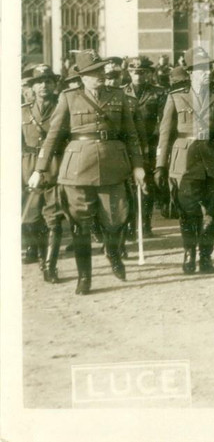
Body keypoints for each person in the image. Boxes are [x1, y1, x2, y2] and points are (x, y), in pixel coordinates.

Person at [29, 51, 145, 295]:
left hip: (113, 166)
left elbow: (131, 134)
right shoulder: (68, 98)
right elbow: (52, 136)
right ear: (82, 77)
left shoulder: (118, 95)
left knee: (115, 219)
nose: (101, 75)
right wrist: (40, 169)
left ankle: (112, 251)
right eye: (95, 72)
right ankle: (85, 277)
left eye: (102, 70)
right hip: (77, 169)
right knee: (80, 225)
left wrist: (138, 166)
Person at [156, 49, 214, 275]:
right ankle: (189, 254)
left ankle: (205, 257)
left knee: (212, 211)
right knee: (188, 210)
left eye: (208, 69)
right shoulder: (176, 96)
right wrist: (160, 166)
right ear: (191, 72)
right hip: (185, 161)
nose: (205, 74)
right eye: (199, 70)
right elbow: (165, 135)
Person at [21, 64, 65, 282]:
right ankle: (39, 254)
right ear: (32, 86)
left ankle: (50, 266)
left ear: (54, 84)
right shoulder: (23, 111)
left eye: (48, 81)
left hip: (56, 167)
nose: (44, 86)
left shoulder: (62, 108)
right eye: (39, 82)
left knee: (54, 219)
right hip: (28, 169)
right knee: (31, 219)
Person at [124, 56, 167, 236]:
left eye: (142, 73)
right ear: (129, 73)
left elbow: (163, 120)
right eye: (134, 72)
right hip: (129, 145)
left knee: (147, 184)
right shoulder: (122, 93)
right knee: (128, 185)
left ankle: (145, 223)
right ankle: (129, 224)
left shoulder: (158, 93)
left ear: (149, 74)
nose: (138, 76)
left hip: (150, 144)